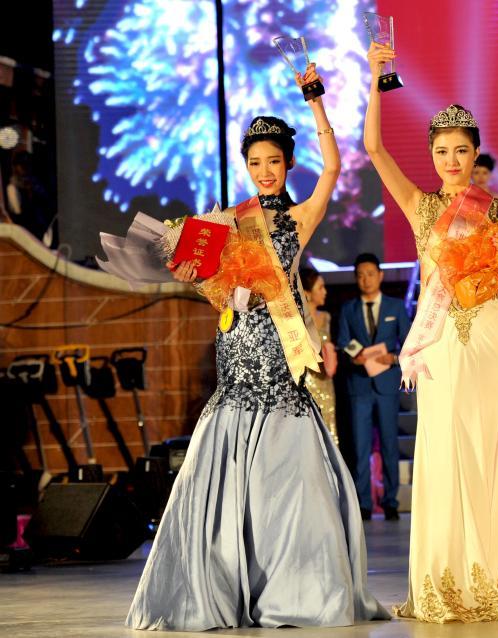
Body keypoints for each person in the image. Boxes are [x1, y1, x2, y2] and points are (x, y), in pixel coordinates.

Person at [127, 64, 388, 630]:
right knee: (229, 471)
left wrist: (314, 99)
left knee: (291, 478)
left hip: (280, 349)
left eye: (274, 161)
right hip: (237, 346)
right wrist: (198, 274)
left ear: (287, 163)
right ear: (245, 167)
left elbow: (334, 167)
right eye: (255, 163)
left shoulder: (299, 216)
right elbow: (212, 285)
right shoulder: (225, 222)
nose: (265, 171)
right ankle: (220, 587)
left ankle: (294, 589)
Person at [364, 42, 498, 622]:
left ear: (475, 154)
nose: (451, 160)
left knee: (488, 442)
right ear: (432, 155)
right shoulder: (421, 206)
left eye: (461, 150)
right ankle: (445, 577)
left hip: (490, 336)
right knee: (445, 444)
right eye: (441, 151)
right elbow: (373, 148)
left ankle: (496, 577)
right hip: (442, 341)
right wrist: (376, 78)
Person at [336, 253, 411, 521]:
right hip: (359, 384)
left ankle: (391, 501)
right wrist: (355, 354)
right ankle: (363, 502)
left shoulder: (395, 307)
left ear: (380, 275)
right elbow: (343, 341)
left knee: (390, 443)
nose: (365, 280)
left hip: (386, 383)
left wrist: (394, 358)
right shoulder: (348, 309)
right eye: (360, 275)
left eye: (369, 274)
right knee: (360, 446)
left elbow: (408, 341)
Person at [300, 266, 338, 444]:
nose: (325, 292)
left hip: (325, 381)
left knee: (328, 426)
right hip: (306, 380)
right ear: (307, 293)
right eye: (320, 287)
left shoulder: (326, 317)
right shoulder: (297, 319)